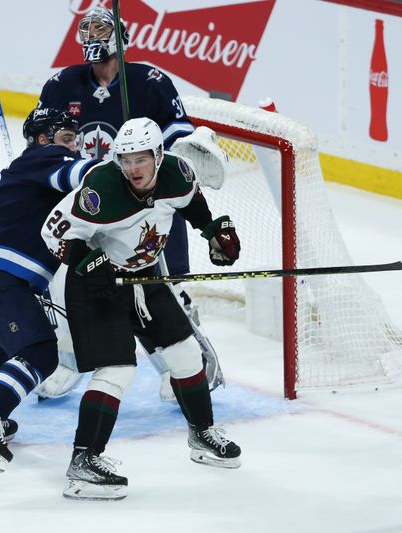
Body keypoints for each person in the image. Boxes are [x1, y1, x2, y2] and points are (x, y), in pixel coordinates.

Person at [41, 118, 243, 501]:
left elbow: (193, 204)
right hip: (95, 285)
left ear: (158, 156)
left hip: (143, 277)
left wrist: (214, 230)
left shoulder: (177, 174)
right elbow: (53, 234)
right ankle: (83, 462)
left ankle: (202, 434)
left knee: (186, 354)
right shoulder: (102, 189)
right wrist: (89, 263)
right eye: (126, 159)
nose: (133, 168)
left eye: (141, 159)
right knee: (118, 369)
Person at [36, 6, 228, 401]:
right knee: (68, 288)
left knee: (164, 287)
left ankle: (190, 365)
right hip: (91, 209)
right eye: (84, 27)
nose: (91, 35)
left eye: (100, 28)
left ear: (119, 36)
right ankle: (68, 363)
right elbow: (43, 138)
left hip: (143, 209)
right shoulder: (61, 84)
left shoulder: (150, 81)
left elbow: (178, 145)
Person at [0, 108, 98, 472]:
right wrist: (126, 166)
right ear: (43, 139)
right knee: (41, 351)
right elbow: (84, 175)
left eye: (74, 141)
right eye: (65, 139)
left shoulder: (22, 171)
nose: (72, 148)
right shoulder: (47, 157)